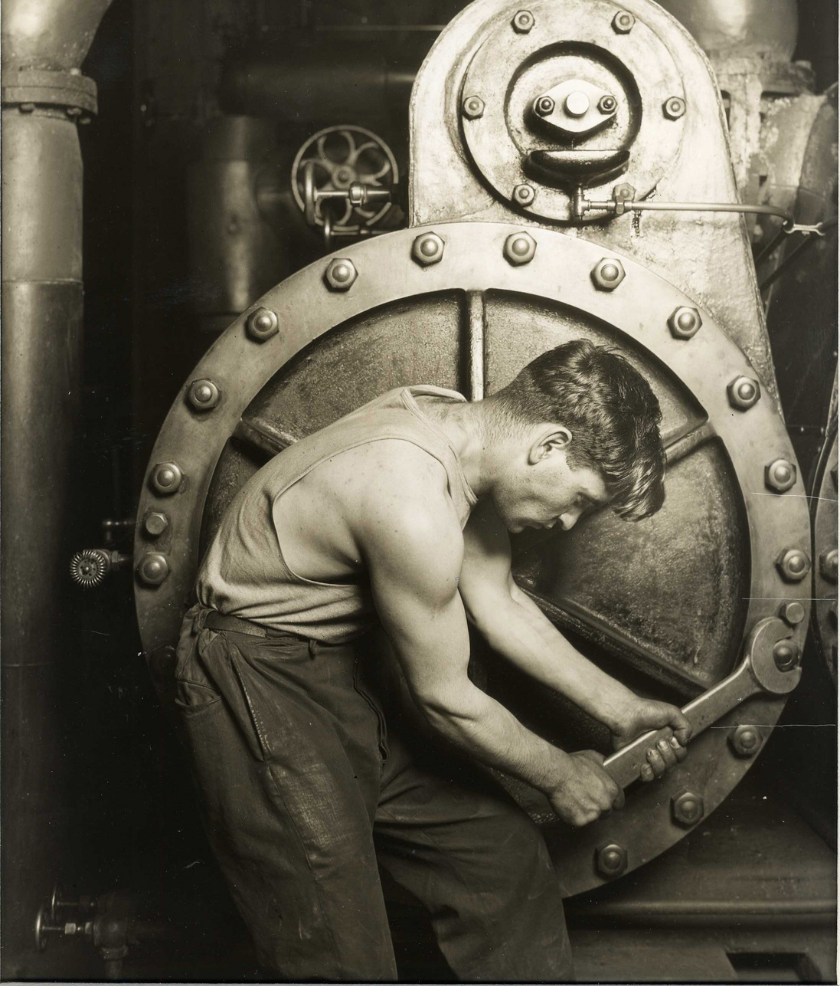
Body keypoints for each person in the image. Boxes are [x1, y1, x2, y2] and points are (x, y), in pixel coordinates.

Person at [172, 338, 691, 981]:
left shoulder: (456, 431)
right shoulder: (408, 500)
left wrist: (622, 708)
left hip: (342, 671)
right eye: (580, 499)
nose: (567, 523)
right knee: (340, 950)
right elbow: (444, 698)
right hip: (256, 680)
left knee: (498, 858)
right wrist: (559, 773)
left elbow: (498, 601)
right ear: (549, 445)